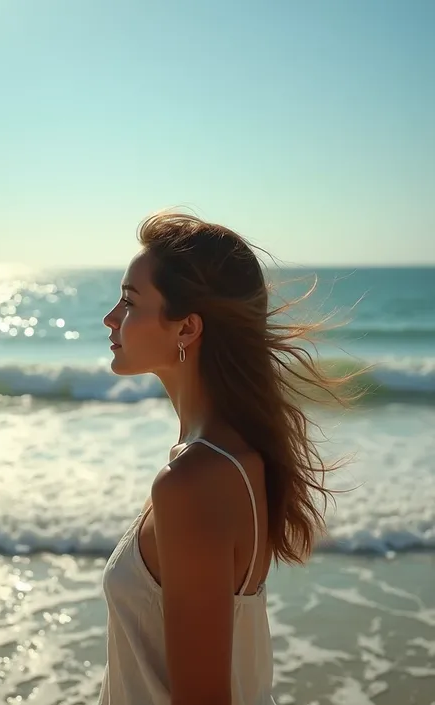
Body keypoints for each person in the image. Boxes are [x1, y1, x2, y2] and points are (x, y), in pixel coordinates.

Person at [100, 212, 349, 705]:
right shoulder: (229, 458)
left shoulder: (195, 480)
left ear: (187, 328)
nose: (111, 317)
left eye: (129, 301)